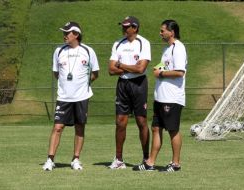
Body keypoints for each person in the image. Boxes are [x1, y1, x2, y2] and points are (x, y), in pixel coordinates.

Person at [42, 21, 100, 171]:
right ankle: (50, 159)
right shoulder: (58, 51)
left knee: (80, 127)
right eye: (64, 33)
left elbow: (95, 73)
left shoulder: (88, 51)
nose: (64, 35)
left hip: (82, 97)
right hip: (63, 97)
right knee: (58, 127)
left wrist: (82, 86)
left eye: (67, 33)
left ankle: (75, 159)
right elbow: (56, 73)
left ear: (76, 34)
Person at [133, 19, 187, 172]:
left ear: (172, 32)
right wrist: (159, 70)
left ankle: (175, 163)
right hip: (160, 97)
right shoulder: (167, 49)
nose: (160, 33)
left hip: (173, 98)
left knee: (172, 130)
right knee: (156, 128)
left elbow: (180, 72)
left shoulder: (178, 48)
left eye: (163, 30)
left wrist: (161, 73)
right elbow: (167, 67)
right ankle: (150, 162)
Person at [108, 16, 151, 169]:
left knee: (141, 122)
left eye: (127, 26)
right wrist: (129, 67)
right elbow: (111, 70)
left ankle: (147, 159)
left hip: (139, 84)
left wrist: (120, 64)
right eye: (123, 26)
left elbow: (141, 69)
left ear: (135, 28)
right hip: (123, 84)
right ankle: (119, 160)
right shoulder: (118, 43)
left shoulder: (143, 43)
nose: (124, 29)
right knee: (120, 122)